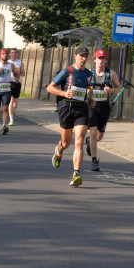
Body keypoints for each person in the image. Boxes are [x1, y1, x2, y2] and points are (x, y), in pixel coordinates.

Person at [46, 46, 97, 187]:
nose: (84, 58)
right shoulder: (67, 71)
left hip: (81, 109)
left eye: (86, 56)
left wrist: (90, 99)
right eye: (81, 56)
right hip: (66, 108)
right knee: (66, 142)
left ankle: (76, 174)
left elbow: (88, 89)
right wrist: (63, 93)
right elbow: (50, 87)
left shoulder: (89, 74)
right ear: (75, 56)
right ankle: (59, 150)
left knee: (79, 140)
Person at [86, 49, 119, 172]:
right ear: (94, 60)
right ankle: (94, 161)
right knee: (93, 132)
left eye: (103, 58)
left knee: (99, 136)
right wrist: (89, 97)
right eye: (99, 58)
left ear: (106, 60)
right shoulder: (89, 73)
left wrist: (111, 91)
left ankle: (89, 141)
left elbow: (119, 87)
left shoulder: (111, 74)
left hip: (104, 107)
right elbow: (86, 88)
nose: (101, 60)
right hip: (92, 106)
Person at [0, 49, 15, 135]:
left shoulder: (11, 65)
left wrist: (16, 77)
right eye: (3, 54)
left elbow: (16, 72)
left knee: (5, 108)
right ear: (0, 55)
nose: (5, 55)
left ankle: (4, 126)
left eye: (6, 54)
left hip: (7, 89)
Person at [8, 48, 24, 125]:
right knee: (11, 101)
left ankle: (13, 110)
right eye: (12, 53)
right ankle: (11, 119)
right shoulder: (7, 62)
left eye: (15, 53)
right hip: (9, 83)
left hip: (17, 83)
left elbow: (23, 74)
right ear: (10, 54)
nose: (13, 54)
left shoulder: (20, 62)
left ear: (17, 54)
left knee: (15, 104)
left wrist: (20, 72)